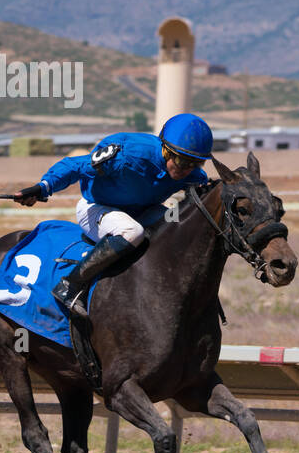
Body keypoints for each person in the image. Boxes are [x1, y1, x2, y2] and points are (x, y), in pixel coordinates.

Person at [13, 112, 213, 316]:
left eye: (195, 163)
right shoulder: (127, 155)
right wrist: (43, 187)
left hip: (142, 211)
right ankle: (69, 285)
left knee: (176, 227)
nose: (187, 170)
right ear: (166, 150)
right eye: (181, 161)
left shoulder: (193, 175)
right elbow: (74, 167)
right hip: (96, 207)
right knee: (132, 232)